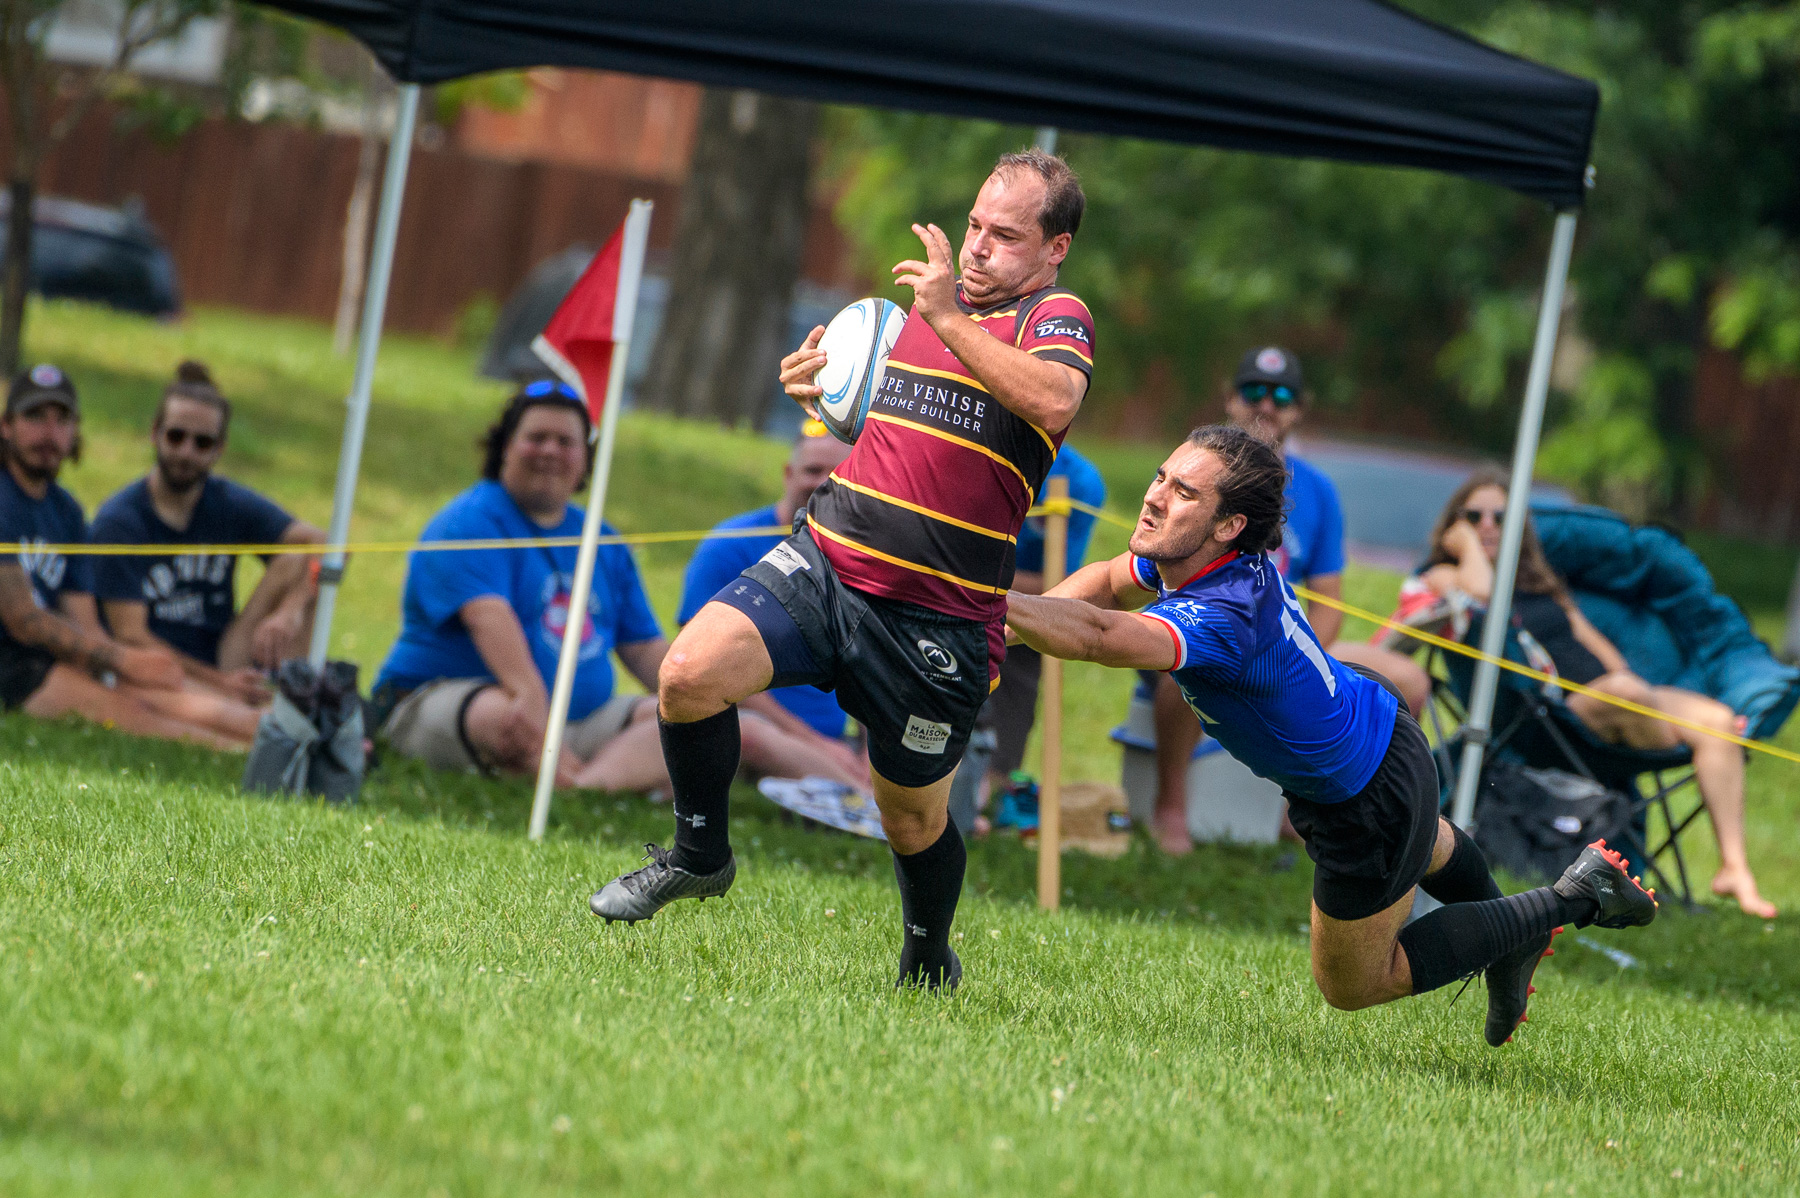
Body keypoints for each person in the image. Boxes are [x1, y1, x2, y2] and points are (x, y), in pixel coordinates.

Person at [591, 148, 1096, 993]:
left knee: (910, 817)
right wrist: (824, 394)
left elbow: (1051, 402)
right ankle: (698, 854)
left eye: (1005, 236)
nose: (977, 248)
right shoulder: (908, 320)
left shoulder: (1053, 319)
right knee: (687, 675)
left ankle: (928, 953)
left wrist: (946, 317)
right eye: (974, 225)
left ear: (1054, 251)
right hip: (828, 560)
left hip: (939, 620)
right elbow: (896, 431)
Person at [1005, 425, 1656, 1045]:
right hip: (1380, 732)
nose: (1154, 496)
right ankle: (1507, 942)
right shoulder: (1203, 559)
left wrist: (979, 605)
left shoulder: (1221, 613)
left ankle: (1572, 898)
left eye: (1183, 492)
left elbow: (1097, 633)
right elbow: (1109, 584)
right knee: (1422, 841)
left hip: (1362, 800)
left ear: (1228, 525)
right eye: (1160, 477)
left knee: (1354, 982)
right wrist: (1002, 630)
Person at [372, 382, 863, 795]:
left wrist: (693, 695)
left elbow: (646, 649)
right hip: (448, 702)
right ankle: (572, 779)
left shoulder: (601, 540)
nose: (549, 451)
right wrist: (547, 742)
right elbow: (511, 664)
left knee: (718, 724)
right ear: (504, 447)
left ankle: (869, 804)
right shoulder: (467, 523)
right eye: (535, 437)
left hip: (582, 721)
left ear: (585, 460)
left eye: (565, 442)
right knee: (508, 718)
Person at [1420, 468, 1776, 919]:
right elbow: (1482, 592)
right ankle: (1682, 735)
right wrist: (1469, 547)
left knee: (1721, 721)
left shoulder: (1541, 582)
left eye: (1501, 517)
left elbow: (1590, 640)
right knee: (1635, 699)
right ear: (1455, 524)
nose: (1489, 524)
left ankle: (1735, 868)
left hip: (1621, 693)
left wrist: (1634, 683)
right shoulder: (1443, 574)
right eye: (1475, 516)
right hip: (1556, 711)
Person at [1148, 346, 1430, 854]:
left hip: (1290, 643)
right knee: (1186, 667)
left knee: (1409, 681)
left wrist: (1296, 660)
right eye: (1253, 391)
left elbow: (1329, 601)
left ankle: (1309, 820)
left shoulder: (1317, 490)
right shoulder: (1195, 475)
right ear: (1230, 399)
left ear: (1300, 408)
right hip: (1207, 628)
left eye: (1282, 396)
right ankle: (1170, 808)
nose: (1267, 405)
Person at [0, 365, 262, 749]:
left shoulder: (66, 512)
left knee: (149, 690)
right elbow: (22, 620)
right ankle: (264, 754)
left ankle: (273, 730)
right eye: (35, 417)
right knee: (132, 712)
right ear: (6, 426)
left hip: (48, 656)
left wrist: (128, 665)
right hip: (10, 661)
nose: (49, 433)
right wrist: (124, 662)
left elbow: (87, 626)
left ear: (75, 432)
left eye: (62, 420)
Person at [92, 361, 325, 706]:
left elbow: (329, 545)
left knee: (298, 564)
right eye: (176, 436)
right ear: (155, 432)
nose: (186, 452)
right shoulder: (119, 521)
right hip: (152, 668)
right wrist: (220, 684)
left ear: (220, 449)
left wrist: (289, 611)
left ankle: (292, 701)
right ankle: (267, 712)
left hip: (224, 654)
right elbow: (131, 636)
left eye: (202, 443)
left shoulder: (227, 501)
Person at [674, 419, 866, 787]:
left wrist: (868, 752)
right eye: (813, 470)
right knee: (753, 734)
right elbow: (697, 672)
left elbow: (870, 668)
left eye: (838, 473)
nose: (823, 483)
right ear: (788, 473)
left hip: (834, 743)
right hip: (750, 729)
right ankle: (869, 805)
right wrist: (814, 745)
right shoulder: (729, 546)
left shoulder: (861, 558)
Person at [973, 441, 1105, 815]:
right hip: (942, 591)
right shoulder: (970, 445)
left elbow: (1058, 582)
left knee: (1021, 667)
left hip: (1019, 607)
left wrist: (974, 582)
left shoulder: (1080, 481)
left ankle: (990, 789)